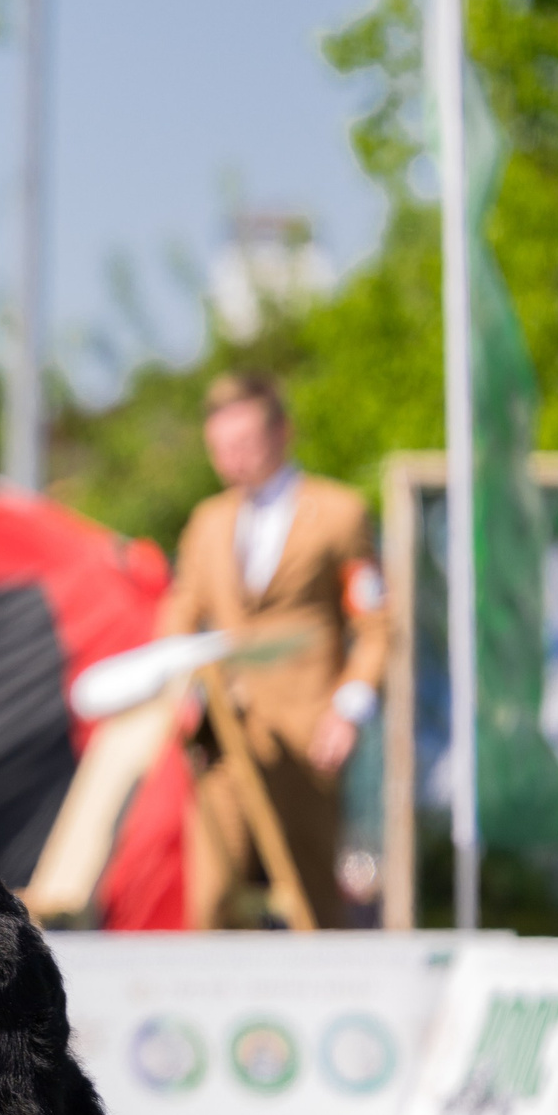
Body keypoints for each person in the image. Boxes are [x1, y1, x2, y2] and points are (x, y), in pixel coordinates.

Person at [158, 372, 388, 928]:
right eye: (220, 449)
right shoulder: (207, 523)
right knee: (212, 899)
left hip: (309, 735)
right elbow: (179, 609)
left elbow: (375, 625)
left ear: (282, 433)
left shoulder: (339, 512)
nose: (231, 460)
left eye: (244, 444)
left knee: (311, 898)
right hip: (224, 734)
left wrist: (348, 708)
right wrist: (175, 681)